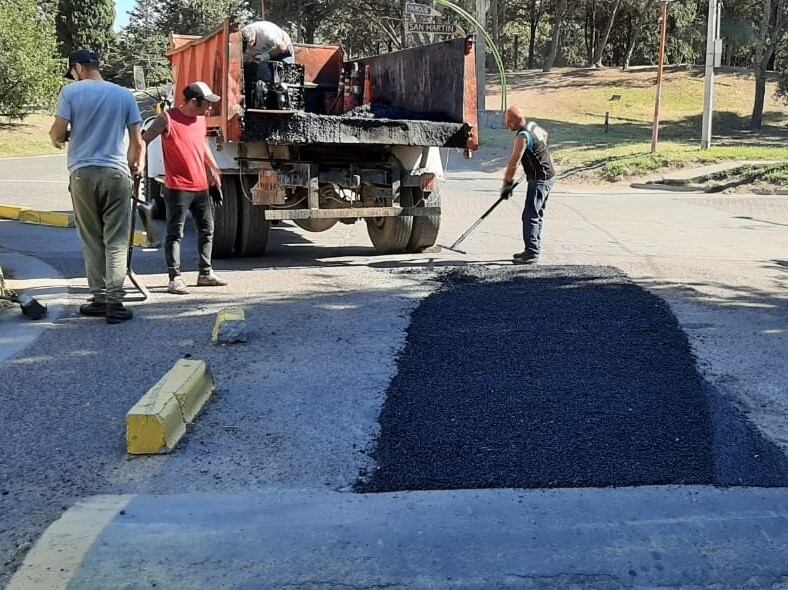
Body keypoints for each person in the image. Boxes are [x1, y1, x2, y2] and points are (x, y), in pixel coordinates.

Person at [49, 49, 145, 324]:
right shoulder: (124, 95)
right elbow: (138, 141)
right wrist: (133, 166)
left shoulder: (71, 93)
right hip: (116, 173)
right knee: (115, 240)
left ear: (77, 67)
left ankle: (100, 298)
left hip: (82, 173)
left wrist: (60, 139)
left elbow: (58, 131)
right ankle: (116, 302)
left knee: (92, 238)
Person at [142, 81, 228, 295]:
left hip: (200, 186)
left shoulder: (200, 119)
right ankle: (175, 278)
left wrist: (213, 168)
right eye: (206, 104)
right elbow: (144, 139)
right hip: (178, 187)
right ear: (192, 101)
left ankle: (205, 274)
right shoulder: (167, 119)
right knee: (175, 233)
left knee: (207, 230)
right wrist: (137, 164)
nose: (209, 109)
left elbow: (202, 145)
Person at [500, 106, 557, 265]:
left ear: (517, 121)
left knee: (530, 214)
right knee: (536, 213)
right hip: (547, 175)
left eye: (508, 122)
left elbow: (513, 163)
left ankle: (532, 253)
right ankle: (531, 249)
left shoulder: (522, 137)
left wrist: (507, 185)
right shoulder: (532, 126)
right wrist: (536, 157)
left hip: (541, 178)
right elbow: (545, 136)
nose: (506, 126)